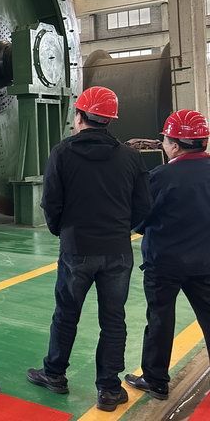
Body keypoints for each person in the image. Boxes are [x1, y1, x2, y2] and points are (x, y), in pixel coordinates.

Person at [28, 86, 151, 413]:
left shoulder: (62, 153)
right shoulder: (130, 157)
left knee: (66, 313)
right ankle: (109, 388)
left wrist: (62, 231)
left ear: (80, 116)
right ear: (110, 120)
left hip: (77, 248)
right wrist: (121, 229)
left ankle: (54, 374)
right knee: (113, 318)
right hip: (117, 251)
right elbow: (143, 206)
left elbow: (51, 203)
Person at [125, 109, 210, 401]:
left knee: (160, 319)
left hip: (164, 262)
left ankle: (156, 380)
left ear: (174, 144)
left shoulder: (161, 176)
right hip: (205, 261)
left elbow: (140, 217)